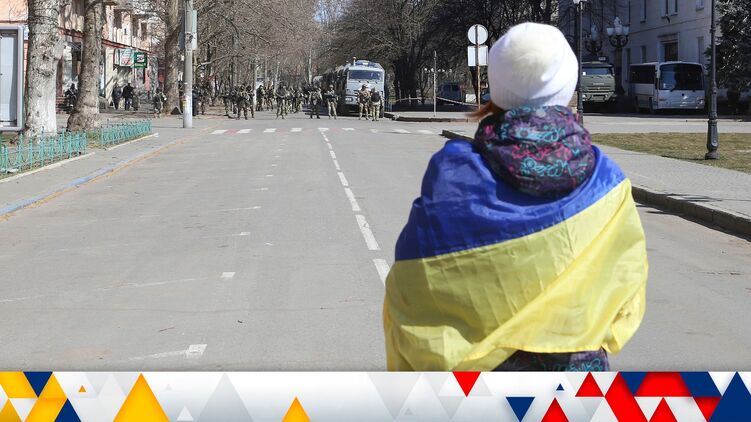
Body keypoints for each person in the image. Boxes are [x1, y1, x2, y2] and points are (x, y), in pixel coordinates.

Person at [383, 22, 648, 372]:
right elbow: (627, 285)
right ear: (568, 87)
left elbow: (416, 284)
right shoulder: (606, 180)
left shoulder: (453, 174)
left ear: (497, 87)